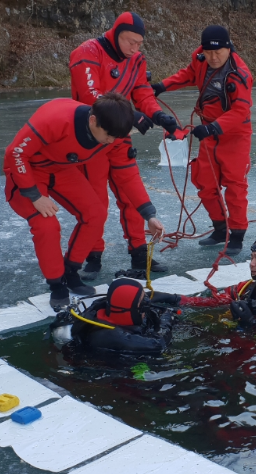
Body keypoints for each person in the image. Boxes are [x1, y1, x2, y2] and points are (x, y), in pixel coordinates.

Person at [3, 93, 164, 310]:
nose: (110, 142)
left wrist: (149, 215)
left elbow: (127, 175)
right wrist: (34, 195)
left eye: (116, 138)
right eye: (107, 136)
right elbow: (16, 152)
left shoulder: (115, 134)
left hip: (61, 170)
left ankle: (70, 271)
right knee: (46, 225)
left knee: (95, 214)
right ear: (92, 121)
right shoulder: (56, 118)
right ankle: (57, 284)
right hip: (28, 173)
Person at [69, 12, 180, 278]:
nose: (135, 48)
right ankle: (92, 256)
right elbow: (90, 96)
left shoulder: (136, 60)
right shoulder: (87, 53)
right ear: (116, 34)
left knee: (131, 198)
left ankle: (140, 255)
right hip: (91, 138)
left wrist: (156, 114)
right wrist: (131, 115)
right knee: (95, 202)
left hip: (120, 137)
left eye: (139, 43)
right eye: (131, 41)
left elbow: (141, 91)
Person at [151, 25, 254, 255]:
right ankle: (220, 228)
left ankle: (236, 235)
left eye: (218, 52)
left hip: (234, 136)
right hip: (209, 131)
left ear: (228, 48)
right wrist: (162, 86)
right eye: (208, 52)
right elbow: (188, 74)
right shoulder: (201, 59)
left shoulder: (239, 75)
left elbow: (240, 112)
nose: (213, 57)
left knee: (235, 187)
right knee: (205, 183)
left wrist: (214, 128)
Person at [149, 238, 256, 330]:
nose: (251, 263)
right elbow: (214, 301)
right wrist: (174, 299)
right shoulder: (245, 288)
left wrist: (255, 323)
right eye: (251, 258)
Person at [51, 278, 176, 355]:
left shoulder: (105, 306)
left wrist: (176, 299)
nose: (147, 307)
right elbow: (158, 344)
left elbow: (143, 297)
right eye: (144, 304)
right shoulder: (110, 335)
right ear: (130, 310)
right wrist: (166, 318)